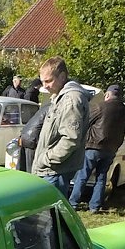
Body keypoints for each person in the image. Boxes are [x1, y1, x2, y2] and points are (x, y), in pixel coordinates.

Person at [31, 56, 90, 196]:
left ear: (62, 76)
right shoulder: (60, 97)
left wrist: (46, 159)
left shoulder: (71, 100)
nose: (45, 86)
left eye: (49, 81)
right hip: (52, 170)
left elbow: (70, 139)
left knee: (48, 215)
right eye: (42, 81)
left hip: (55, 171)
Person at [68, 84, 125, 212]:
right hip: (111, 148)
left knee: (83, 176)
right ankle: (95, 206)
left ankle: (73, 203)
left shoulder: (100, 106)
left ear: (107, 95)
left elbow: (86, 120)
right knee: (101, 178)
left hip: (94, 146)